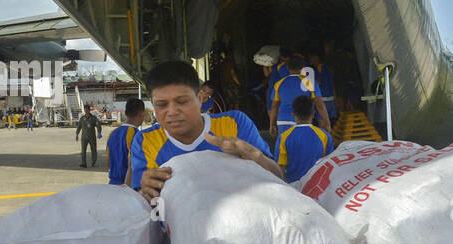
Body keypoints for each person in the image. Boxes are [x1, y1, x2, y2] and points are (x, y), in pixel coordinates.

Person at [132, 60, 281, 205]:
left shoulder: (234, 123)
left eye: (182, 101)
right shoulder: (145, 141)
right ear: (152, 105)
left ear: (200, 99)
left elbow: (278, 177)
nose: (172, 112)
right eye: (162, 105)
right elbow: (142, 205)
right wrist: (145, 192)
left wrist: (251, 153)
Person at [269, 52, 331, 135]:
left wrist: (272, 124)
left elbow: (274, 106)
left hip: (283, 122)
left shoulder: (279, 84)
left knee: (286, 146)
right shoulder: (309, 82)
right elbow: (320, 105)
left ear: (287, 67)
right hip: (303, 121)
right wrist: (327, 123)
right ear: (303, 67)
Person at [276, 94, 333, 184]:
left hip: (293, 187)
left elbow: (281, 167)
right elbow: (330, 165)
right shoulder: (325, 136)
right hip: (319, 185)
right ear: (313, 113)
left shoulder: (284, 137)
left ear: (293, 114)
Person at [106, 98, 146, 186]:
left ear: (125, 112)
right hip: (128, 185)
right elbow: (132, 165)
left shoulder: (112, 133)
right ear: (141, 113)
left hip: (112, 184)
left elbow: (108, 162)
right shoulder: (137, 135)